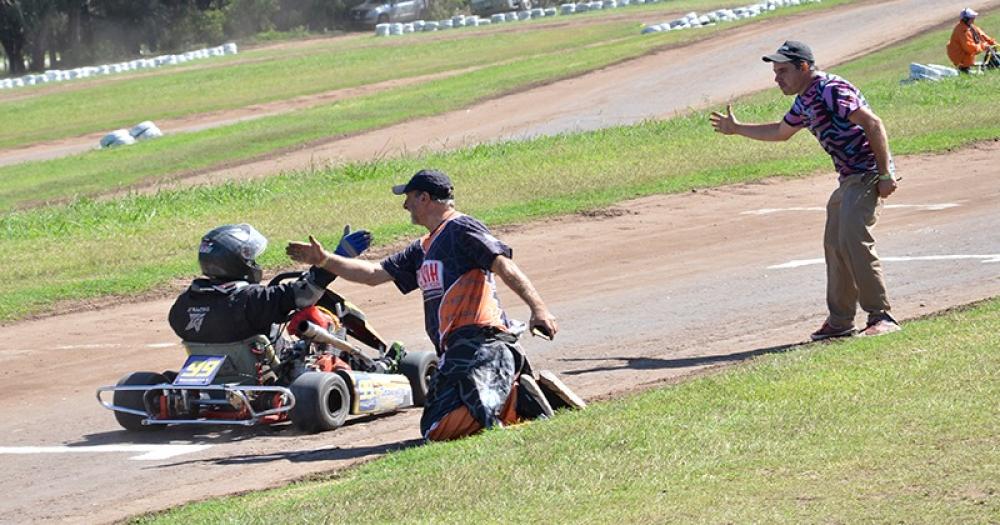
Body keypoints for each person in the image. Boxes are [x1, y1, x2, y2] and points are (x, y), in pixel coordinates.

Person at [286, 169, 585, 442]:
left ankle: (517, 397)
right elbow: (373, 275)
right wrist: (325, 260)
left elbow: (504, 265)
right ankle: (517, 396)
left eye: (409, 199)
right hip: (453, 352)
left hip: (483, 343)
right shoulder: (422, 248)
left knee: (456, 425)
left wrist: (539, 309)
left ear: (424, 197)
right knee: (433, 427)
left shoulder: (461, 229)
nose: (405, 206)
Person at [710, 41, 901, 341]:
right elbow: (780, 132)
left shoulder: (830, 89)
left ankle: (881, 315)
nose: (777, 78)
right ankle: (840, 322)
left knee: (854, 239)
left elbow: (873, 124)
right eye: (775, 72)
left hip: (866, 173)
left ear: (803, 66)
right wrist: (737, 129)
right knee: (835, 245)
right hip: (848, 178)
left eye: (783, 71)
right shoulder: (804, 100)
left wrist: (885, 174)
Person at [169, 223, 371, 381]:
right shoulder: (253, 299)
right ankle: (363, 364)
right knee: (321, 318)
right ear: (240, 262)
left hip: (216, 376)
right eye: (253, 260)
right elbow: (306, 294)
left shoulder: (184, 303)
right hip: (271, 374)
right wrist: (337, 258)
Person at [947, 8, 997, 73]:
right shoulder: (962, 31)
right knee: (966, 71)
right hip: (961, 59)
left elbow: (983, 36)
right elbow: (969, 48)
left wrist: (994, 44)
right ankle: (964, 70)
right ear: (965, 19)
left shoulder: (971, 26)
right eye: (971, 18)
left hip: (966, 57)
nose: (973, 19)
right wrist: (983, 46)